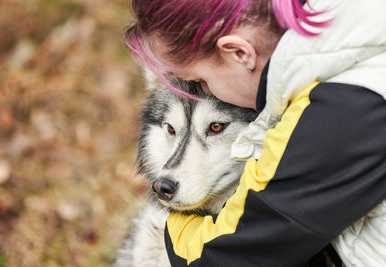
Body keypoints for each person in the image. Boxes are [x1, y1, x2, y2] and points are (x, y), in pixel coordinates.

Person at [124, 0, 386, 266]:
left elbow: (232, 253)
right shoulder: (349, 53)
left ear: (240, 53)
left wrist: (168, 228)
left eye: (202, 81)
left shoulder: (341, 110)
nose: (204, 90)